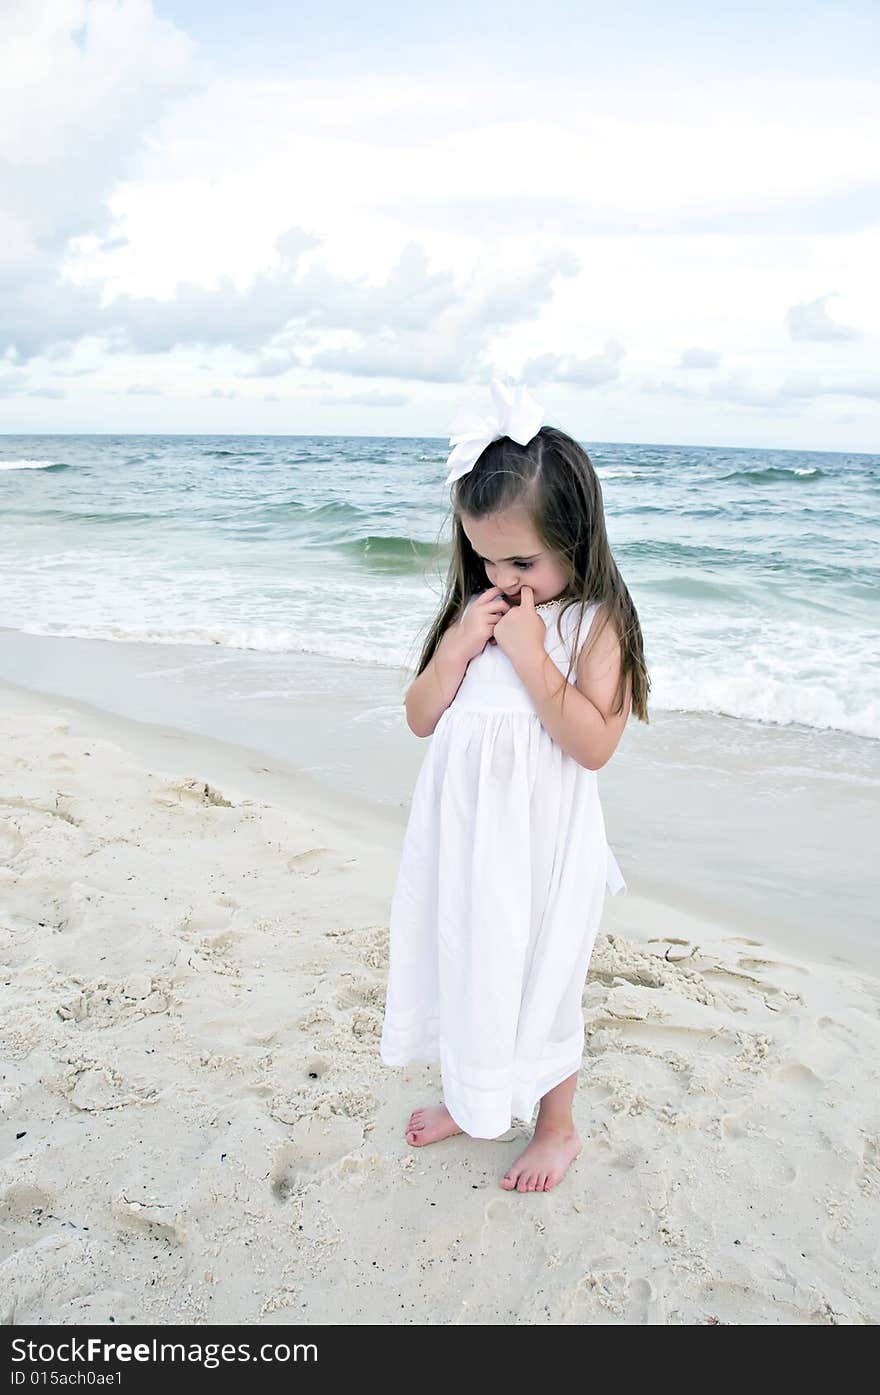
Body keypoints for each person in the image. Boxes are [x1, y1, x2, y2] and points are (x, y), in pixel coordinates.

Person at [379, 379, 650, 1193]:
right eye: (486, 555)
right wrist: (461, 646)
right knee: (468, 958)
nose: (504, 575)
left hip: (543, 847)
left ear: (576, 534)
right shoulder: (479, 611)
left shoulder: (596, 623)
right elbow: (421, 715)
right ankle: (474, 1094)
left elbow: (594, 744)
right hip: (465, 838)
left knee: (543, 975)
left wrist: (532, 658)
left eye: (522, 559)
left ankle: (558, 1127)